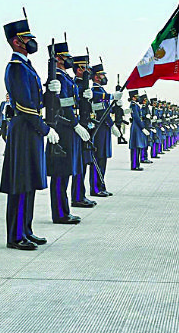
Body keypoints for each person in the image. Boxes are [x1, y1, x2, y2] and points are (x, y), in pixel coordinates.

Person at [0, 15, 57, 250]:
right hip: (23, 130)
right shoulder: (15, 68)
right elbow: (23, 105)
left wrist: (50, 92)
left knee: (30, 182)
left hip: (29, 130)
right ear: (17, 42)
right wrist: (44, 128)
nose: (33, 43)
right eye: (28, 39)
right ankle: (15, 235)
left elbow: (36, 102)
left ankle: (27, 229)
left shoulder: (26, 67)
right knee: (21, 183)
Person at [44, 40, 84, 225]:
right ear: (58, 59)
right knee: (61, 173)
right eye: (67, 57)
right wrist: (75, 124)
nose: (70, 60)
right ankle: (60, 213)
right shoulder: (58, 77)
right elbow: (65, 105)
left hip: (69, 128)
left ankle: (64, 211)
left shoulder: (66, 77)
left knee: (66, 172)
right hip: (64, 128)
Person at [88, 63, 123, 197]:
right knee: (98, 158)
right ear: (96, 77)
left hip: (104, 129)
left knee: (103, 158)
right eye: (102, 75)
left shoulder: (101, 91)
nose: (103, 77)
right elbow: (102, 111)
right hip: (99, 129)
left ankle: (101, 185)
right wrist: (112, 124)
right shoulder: (95, 90)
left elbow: (108, 109)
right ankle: (96, 188)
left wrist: (117, 106)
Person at [71, 55, 98, 208]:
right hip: (79, 128)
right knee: (80, 164)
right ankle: (77, 196)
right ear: (79, 69)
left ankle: (81, 194)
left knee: (85, 162)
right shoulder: (75, 84)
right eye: (85, 67)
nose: (88, 70)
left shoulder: (85, 85)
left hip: (87, 126)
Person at [128, 90, 147, 170]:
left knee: (138, 146)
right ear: (133, 97)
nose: (138, 97)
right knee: (136, 146)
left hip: (137, 126)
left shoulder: (136, 105)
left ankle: (137, 164)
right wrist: (142, 127)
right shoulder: (133, 105)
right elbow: (136, 117)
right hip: (136, 126)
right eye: (137, 96)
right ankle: (134, 165)